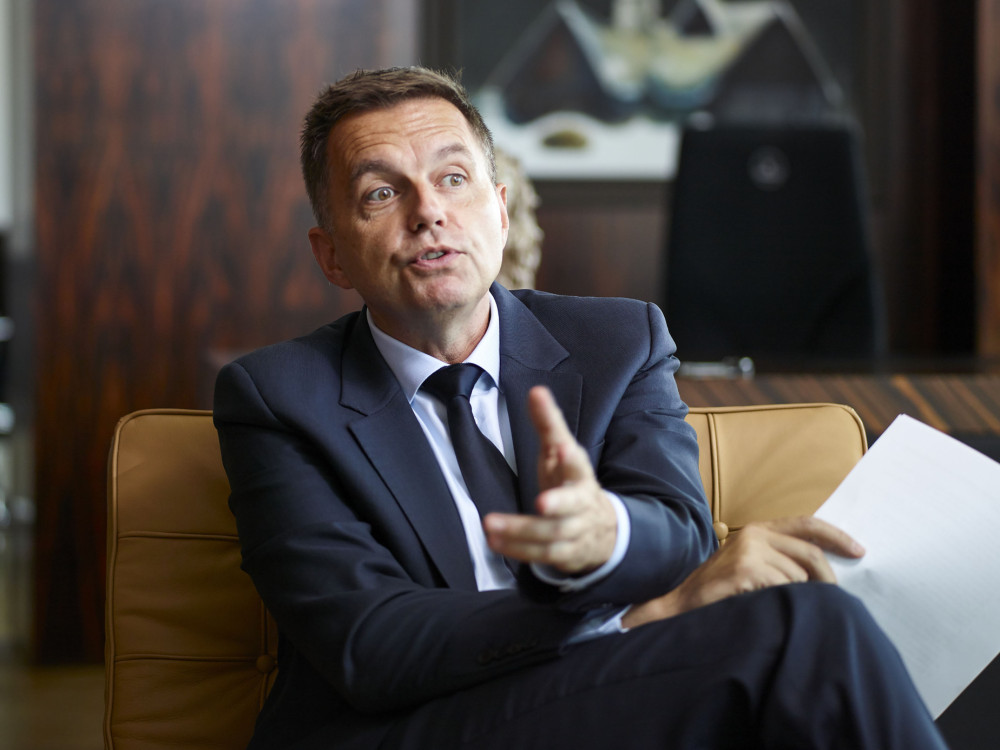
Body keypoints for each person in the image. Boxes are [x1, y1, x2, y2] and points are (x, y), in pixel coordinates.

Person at [213, 66, 948, 749]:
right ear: (331, 255)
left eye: (454, 178)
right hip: (407, 729)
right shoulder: (277, 397)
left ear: (501, 213)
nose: (429, 211)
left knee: (813, 631)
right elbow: (369, 643)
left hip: (598, 703)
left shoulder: (617, 342)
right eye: (381, 193)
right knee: (804, 628)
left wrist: (607, 535)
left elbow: (678, 530)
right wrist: (626, 618)